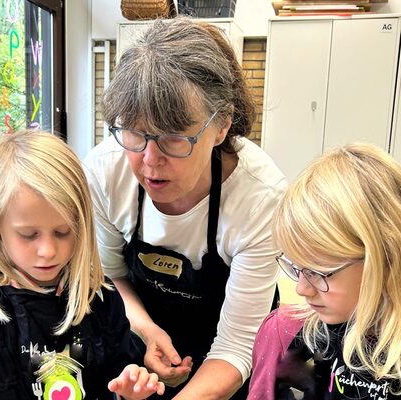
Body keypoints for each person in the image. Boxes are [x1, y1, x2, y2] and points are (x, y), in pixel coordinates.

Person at [83, 17, 286, 399]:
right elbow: (111, 276)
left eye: (174, 138)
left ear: (222, 125)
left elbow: (235, 348)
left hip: (225, 360)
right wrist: (146, 330)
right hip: (140, 355)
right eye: (135, 132)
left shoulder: (260, 197)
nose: (149, 160)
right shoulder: (106, 170)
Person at [0, 131, 165, 400]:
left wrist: (134, 389)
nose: (47, 251)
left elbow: (125, 370)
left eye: (63, 232)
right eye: (28, 234)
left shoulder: (101, 296)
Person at [249, 143, 401, 399]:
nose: (301, 289)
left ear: (389, 259)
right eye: (297, 267)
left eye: (320, 272)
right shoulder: (282, 333)